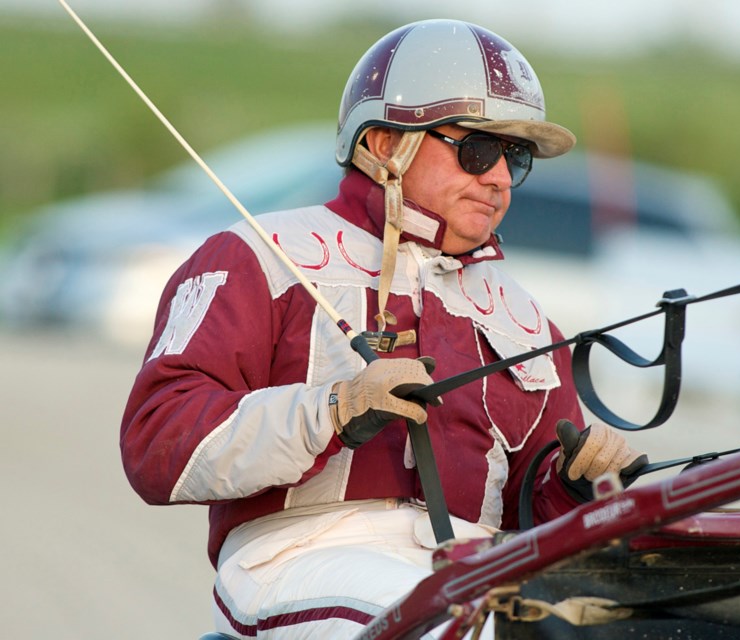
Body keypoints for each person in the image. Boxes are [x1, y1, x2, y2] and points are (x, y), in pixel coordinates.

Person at [120, 18, 648, 639]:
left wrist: (571, 484)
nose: (501, 177)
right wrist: (333, 410)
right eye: (478, 149)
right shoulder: (256, 255)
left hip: (478, 572)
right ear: (381, 144)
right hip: (295, 558)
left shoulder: (527, 319)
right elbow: (158, 444)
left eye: (515, 156)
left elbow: (528, 519)